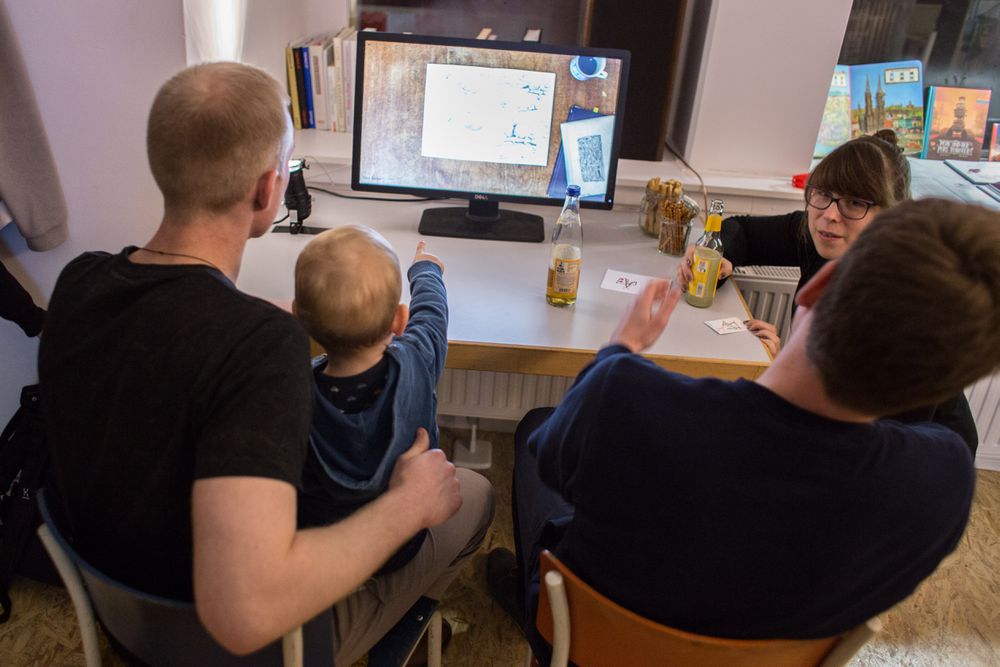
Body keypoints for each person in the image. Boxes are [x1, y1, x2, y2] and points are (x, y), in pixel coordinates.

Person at [38, 62, 494, 662]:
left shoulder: (80, 284)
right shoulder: (261, 350)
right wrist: (409, 505)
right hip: (244, 645)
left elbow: (185, 314)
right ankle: (385, 635)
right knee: (471, 494)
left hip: (122, 614)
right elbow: (246, 614)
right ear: (266, 189)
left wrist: (300, 313)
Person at [488, 199, 1000, 664]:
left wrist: (618, 349)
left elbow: (554, 459)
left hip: (585, 648)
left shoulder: (622, 394)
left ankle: (525, 598)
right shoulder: (945, 482)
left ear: (817, 285)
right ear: (952, 381)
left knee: (539, 429)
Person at [677, 130, 979, 454]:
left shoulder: (908, 304)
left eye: (855, 203)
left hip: (925, 454)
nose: (830, 215)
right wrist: (717, 256)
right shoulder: (819, 234)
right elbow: (742, 231)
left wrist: (785, 373)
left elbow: (861, 438)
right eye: (822, 194)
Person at [293, 227, 453, 578]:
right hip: (402, 545)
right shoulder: (418, 359)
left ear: (298, 318)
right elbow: (432, 315)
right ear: (399, 319)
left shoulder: (290, 396)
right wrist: (426, 269)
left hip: (324, 548)